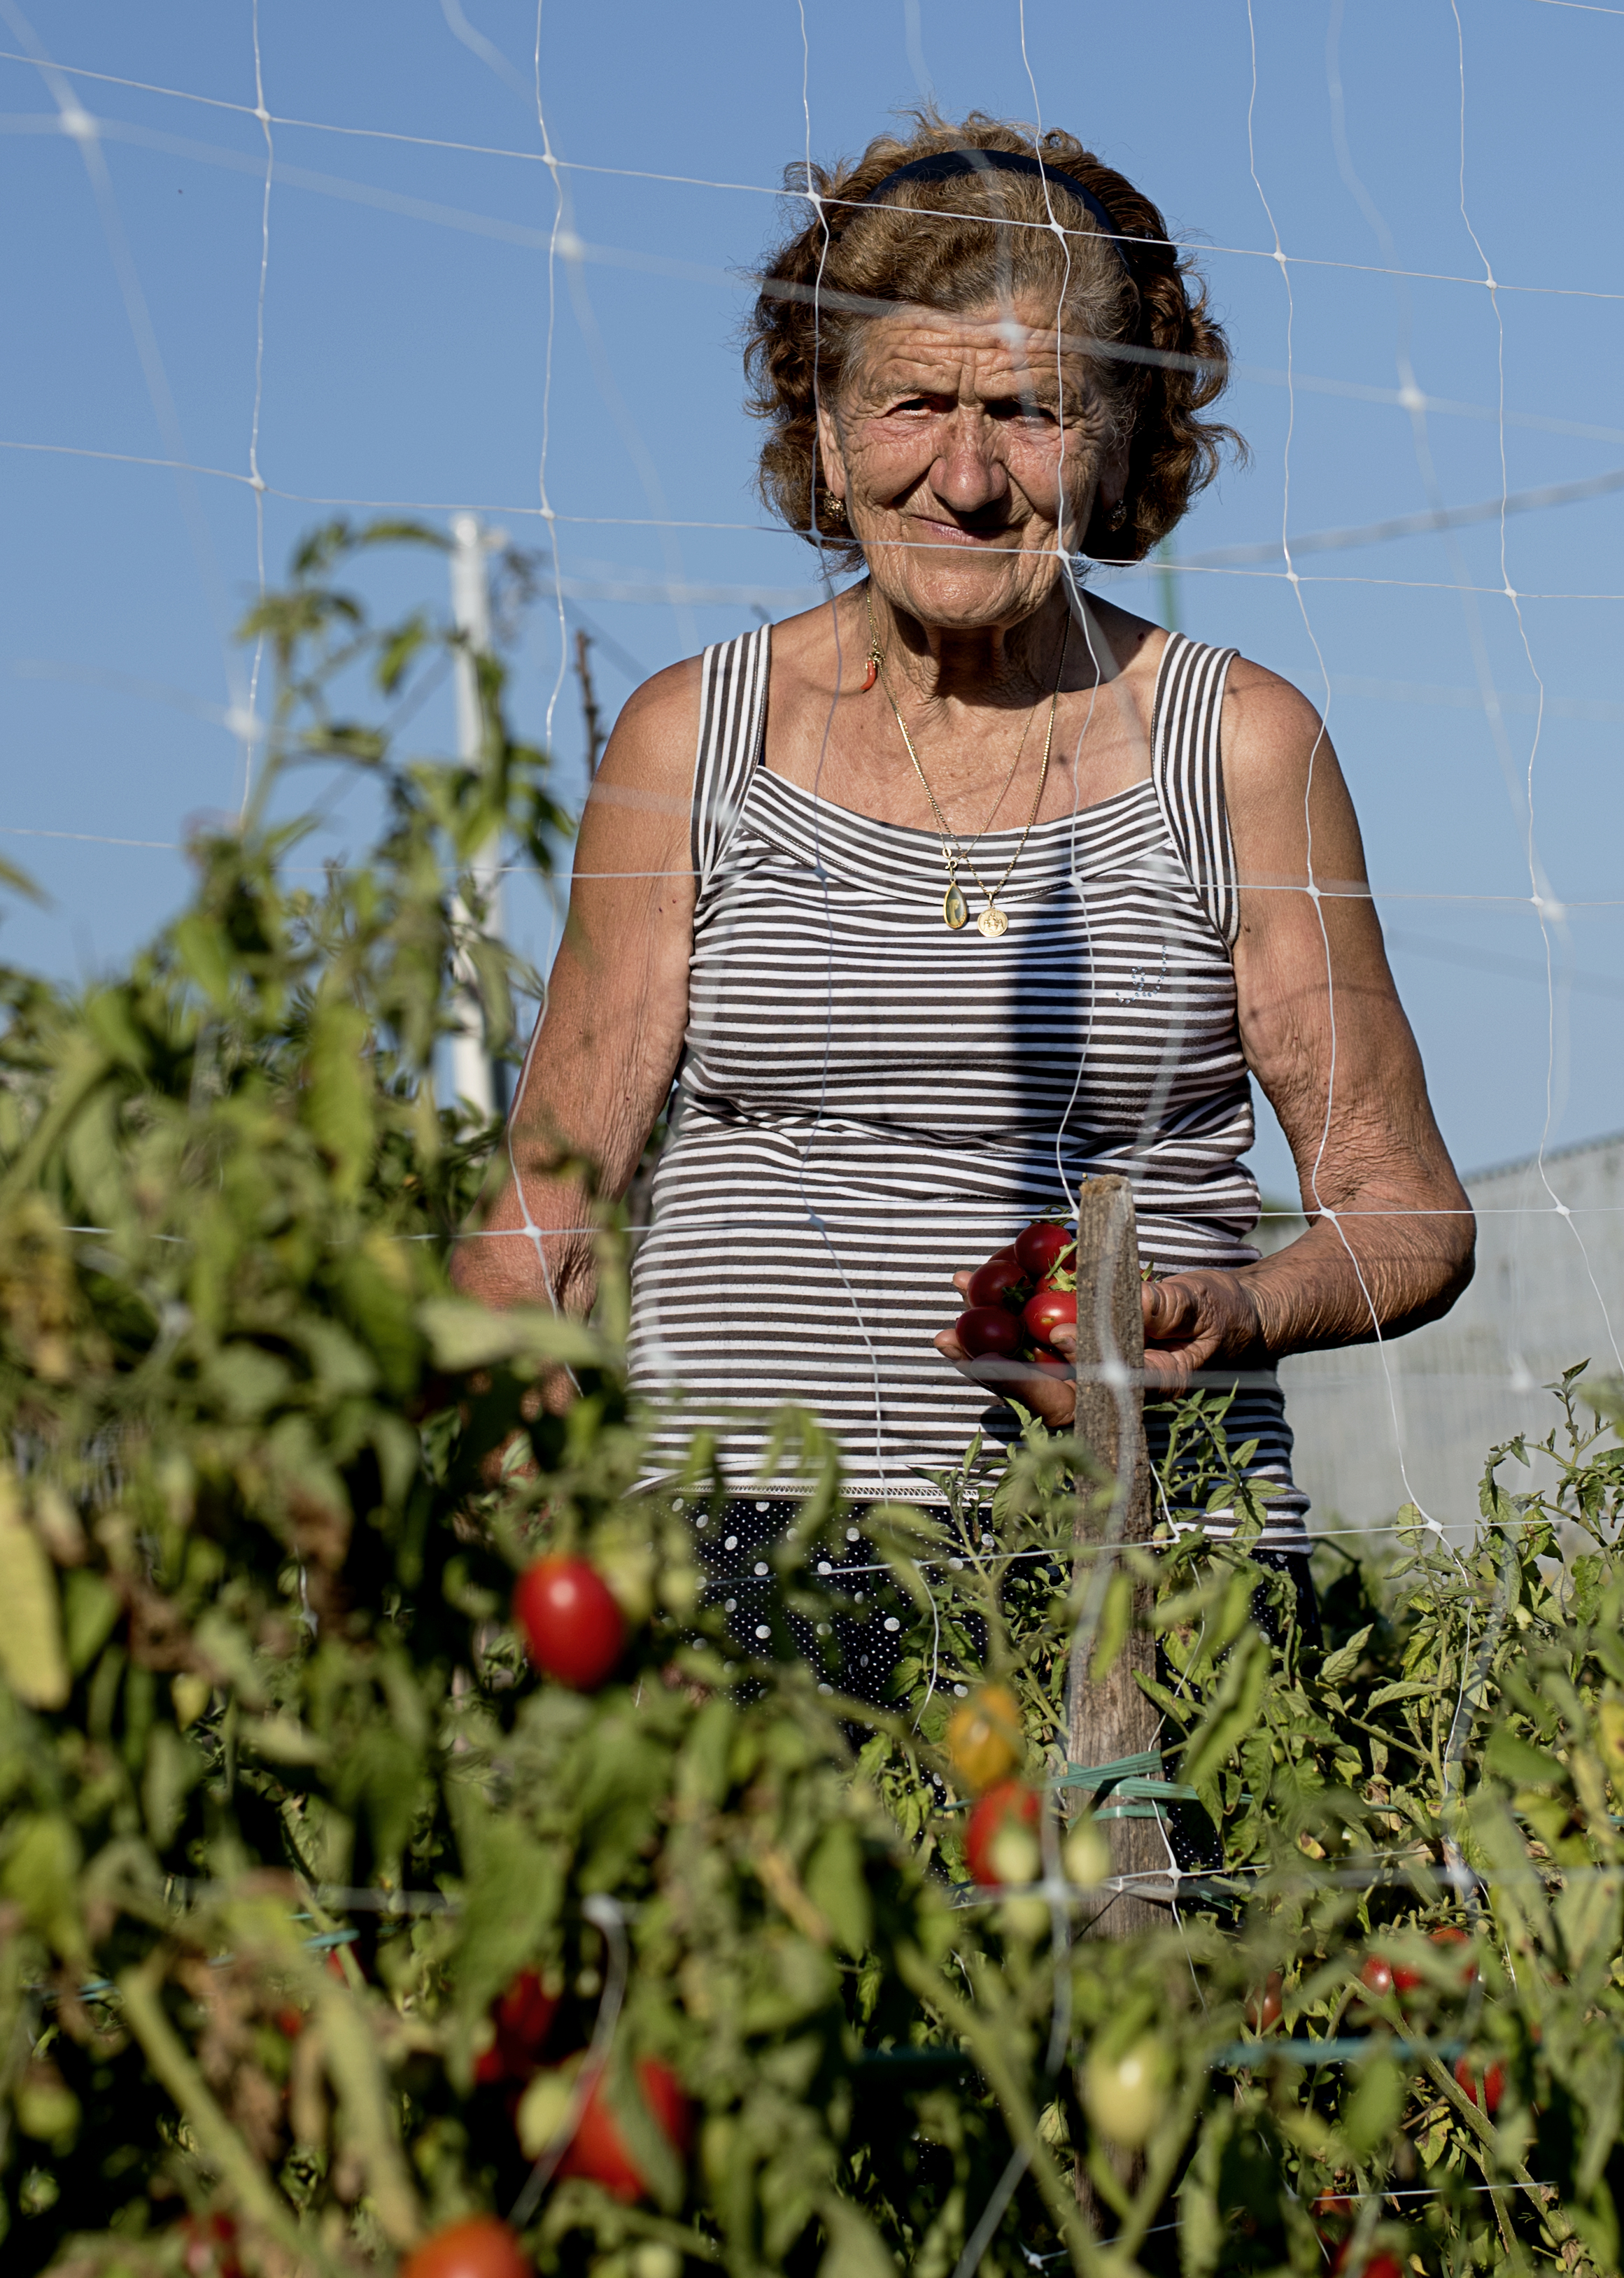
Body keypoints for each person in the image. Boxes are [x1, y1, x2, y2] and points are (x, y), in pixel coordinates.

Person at [452, 115, 1474, 1690]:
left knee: (1153, 1937)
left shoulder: (1241, 747)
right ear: (824, 413)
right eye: (915, 401)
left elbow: (1404, 1206)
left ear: (1126, 435)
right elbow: (548, 1215)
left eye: (1031, 411)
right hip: (733, 1559)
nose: (970, 475)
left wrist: (1233, 1304)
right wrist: (475, 1517)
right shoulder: (691, 739)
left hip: (1138, 1563)